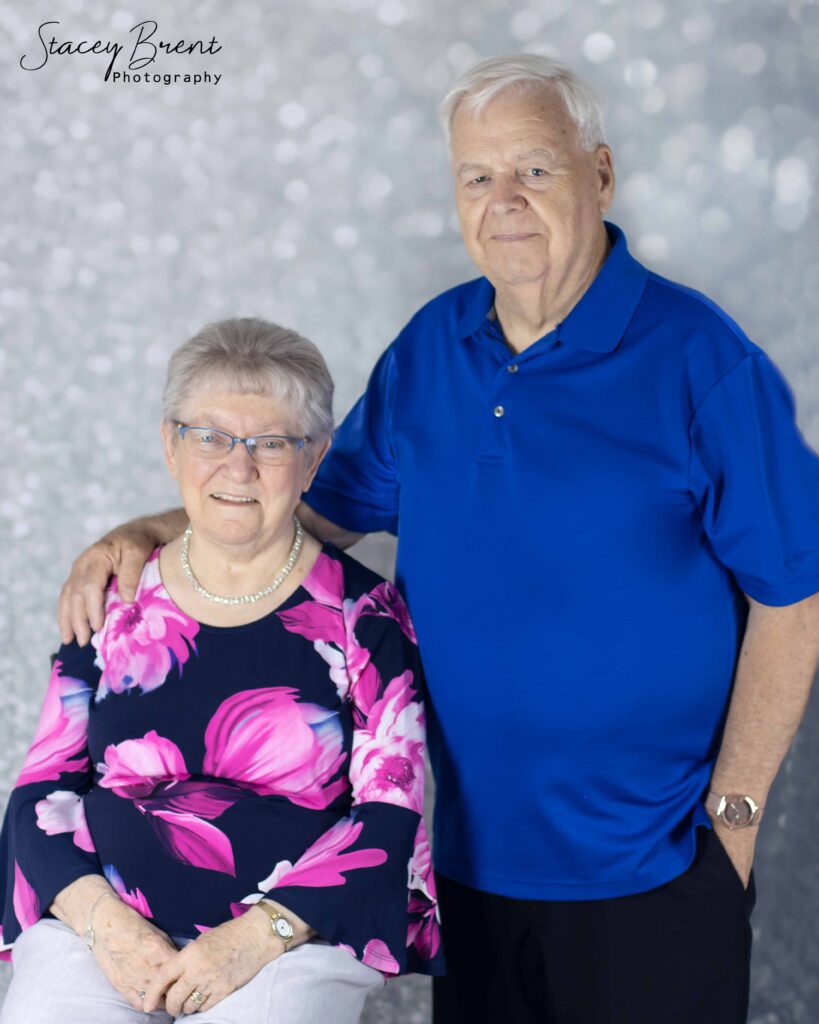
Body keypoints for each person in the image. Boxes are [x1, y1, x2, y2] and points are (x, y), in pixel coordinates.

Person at [57, 56, 819, 1024]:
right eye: (477, 177)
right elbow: (310, 508)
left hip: (655, 873)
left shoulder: (702, 359)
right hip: (464, 865)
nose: (504, 201)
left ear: (601, 175)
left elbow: (797, 595)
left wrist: (736, 821)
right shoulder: (431, 350)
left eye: (535, 170)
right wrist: (145, 531)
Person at [0, 318, 442, 1024]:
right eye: (210, 437)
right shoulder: (114, 597)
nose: (238, 468)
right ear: (171, 446)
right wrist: (103, 925)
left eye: (271, 444)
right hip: (104, 926)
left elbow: (389, 815)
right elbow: (38, 792)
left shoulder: (367, 617)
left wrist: (255, 938)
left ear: (314, 458)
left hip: (287, 942)